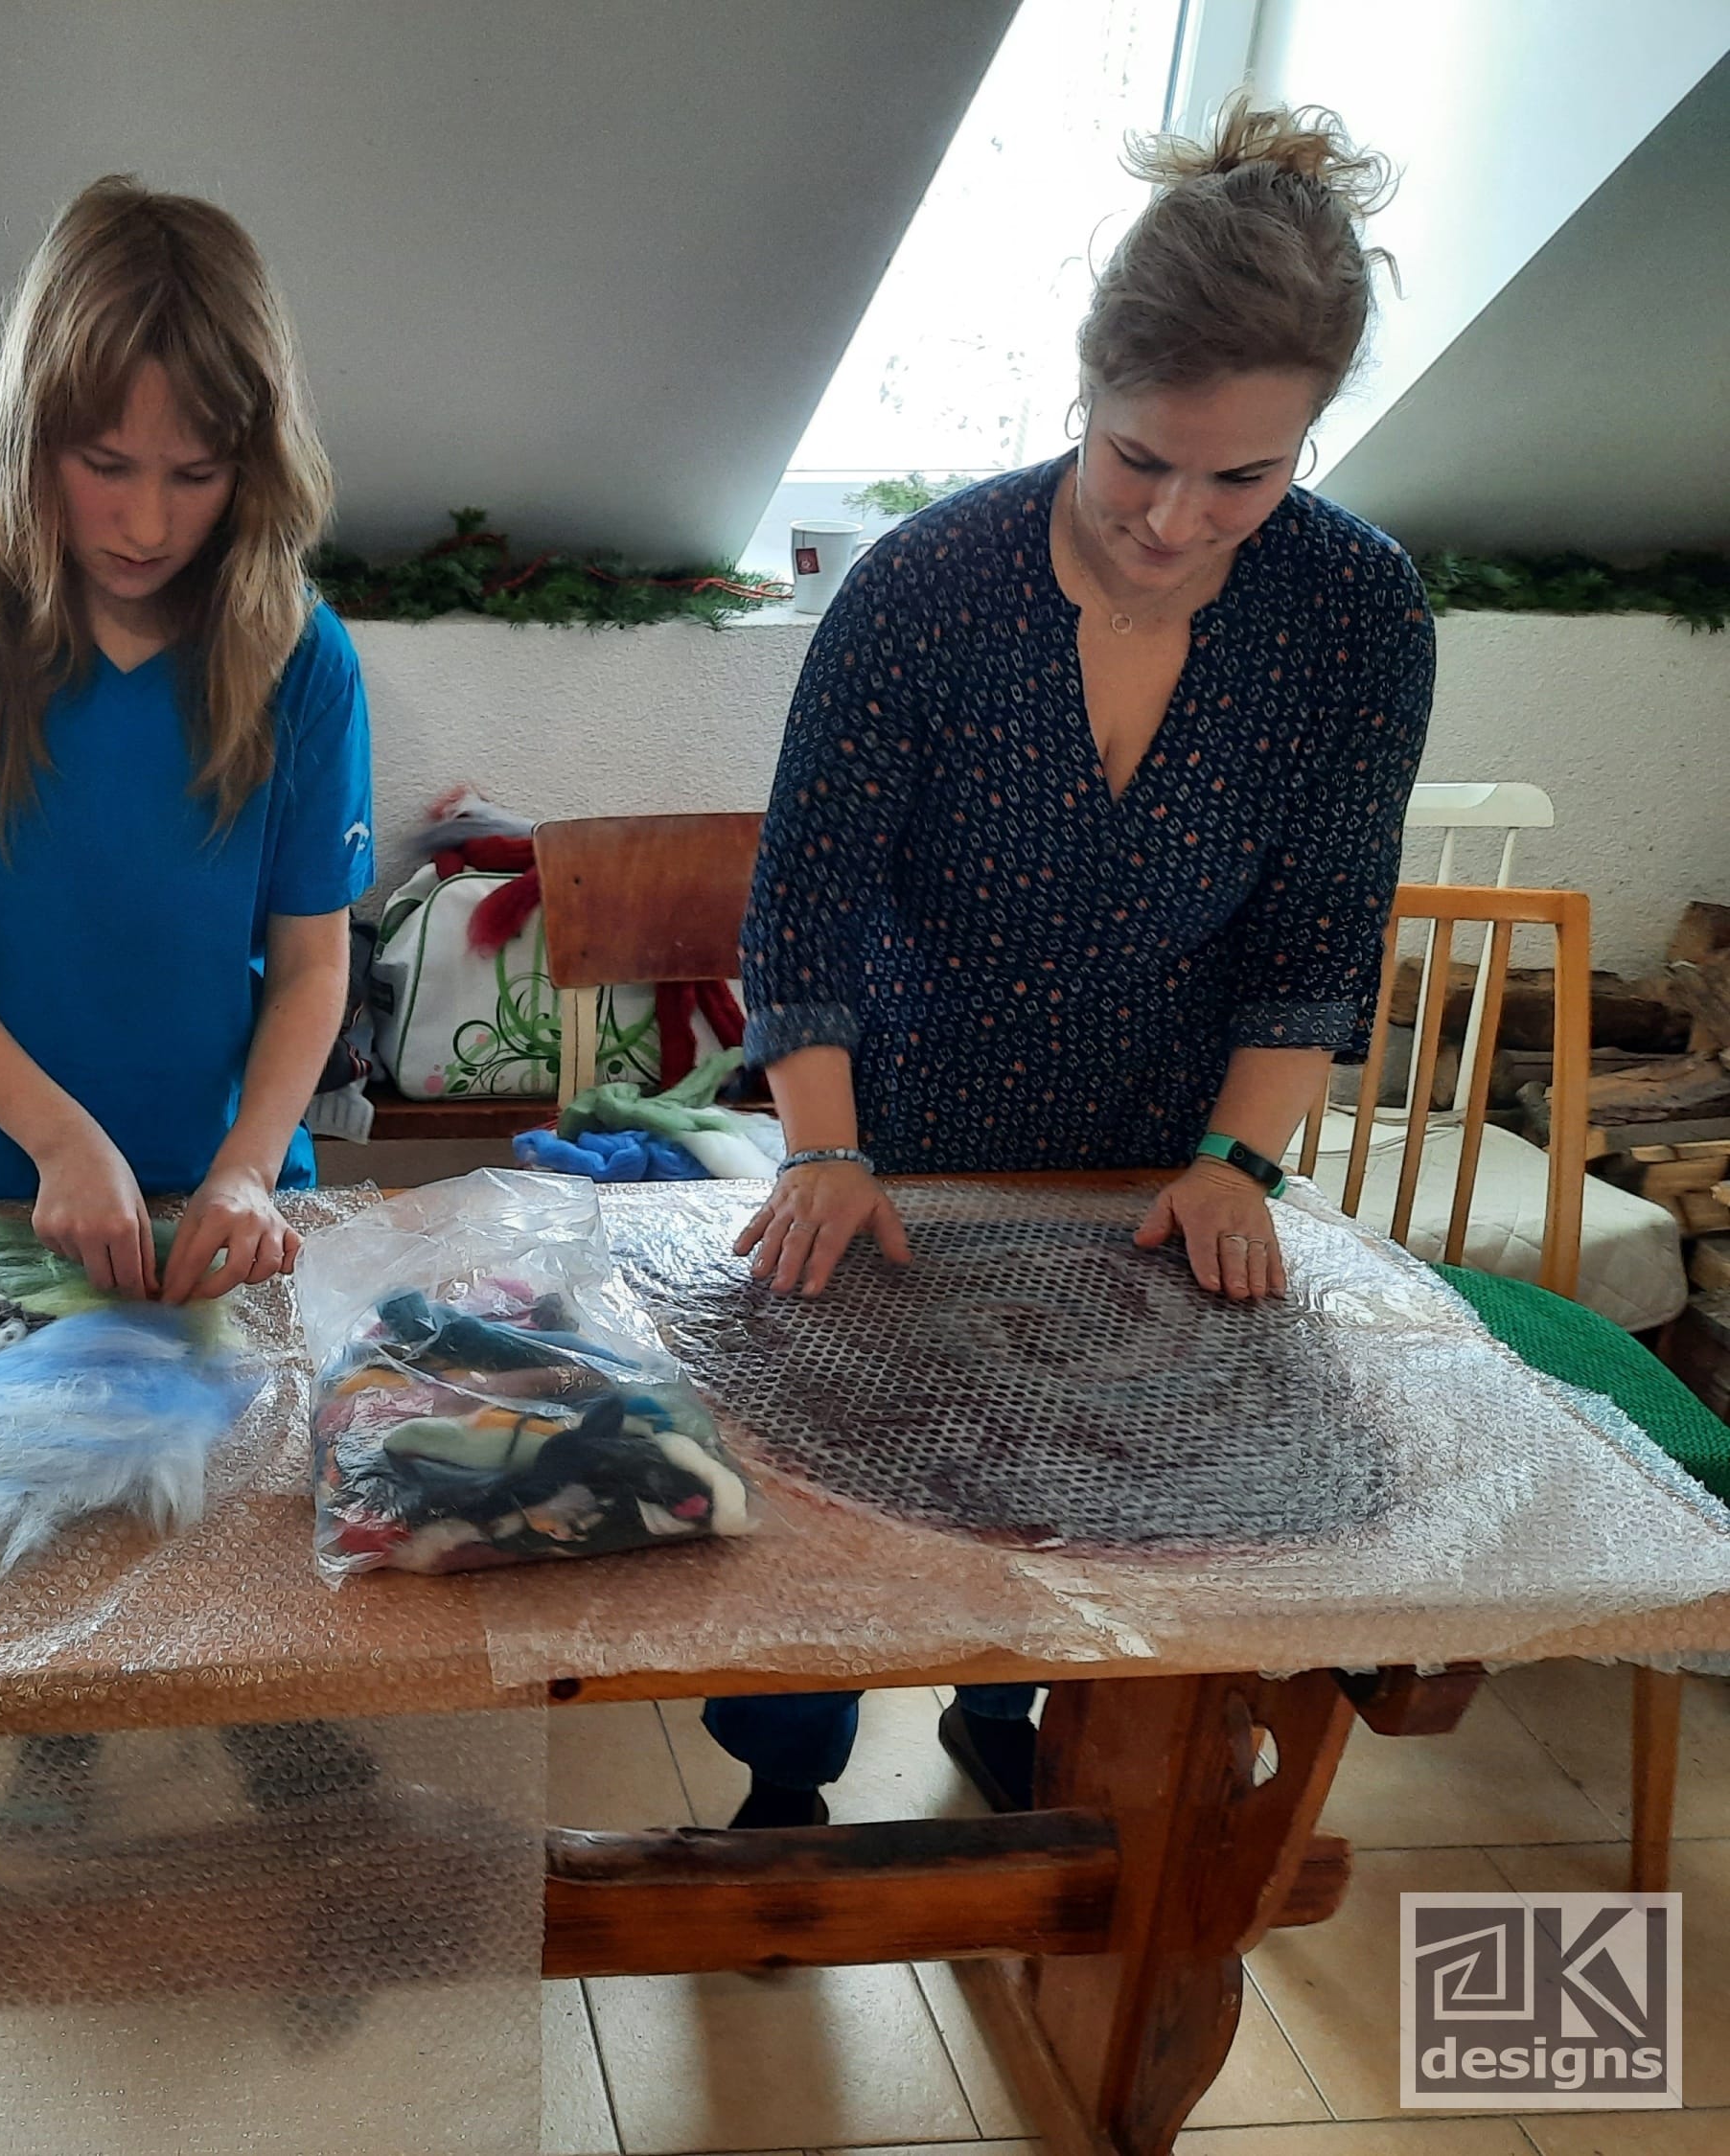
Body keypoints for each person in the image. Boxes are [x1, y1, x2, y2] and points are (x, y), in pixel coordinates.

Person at [716, 101, 1436, 1828]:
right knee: (831, 1486)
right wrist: (825, 1148)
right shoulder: (926, 588)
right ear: (1087, 390)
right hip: (896, 1128)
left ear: (1311, 439)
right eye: (1138, 460)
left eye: (1245, 477)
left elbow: (1317, 937)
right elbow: (805, 908)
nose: (1178, 520)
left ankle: (1008, 1712)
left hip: (1153, 1149)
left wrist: (1237, 1160)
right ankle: (785, 1785)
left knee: (1087, 1482)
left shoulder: (1357, 616)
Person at [0, 173, 376, 1833]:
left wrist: (250, 1167)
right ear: (31, 432)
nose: (144, 520)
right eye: (104, 464)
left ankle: (279, 1760)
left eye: (195, 474)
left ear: (255, 464)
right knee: (27, 1531)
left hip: (218, 1193)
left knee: (234, 1527)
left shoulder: (298, 650)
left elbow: (314, 963)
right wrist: (62, 1140)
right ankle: (48, 1749)